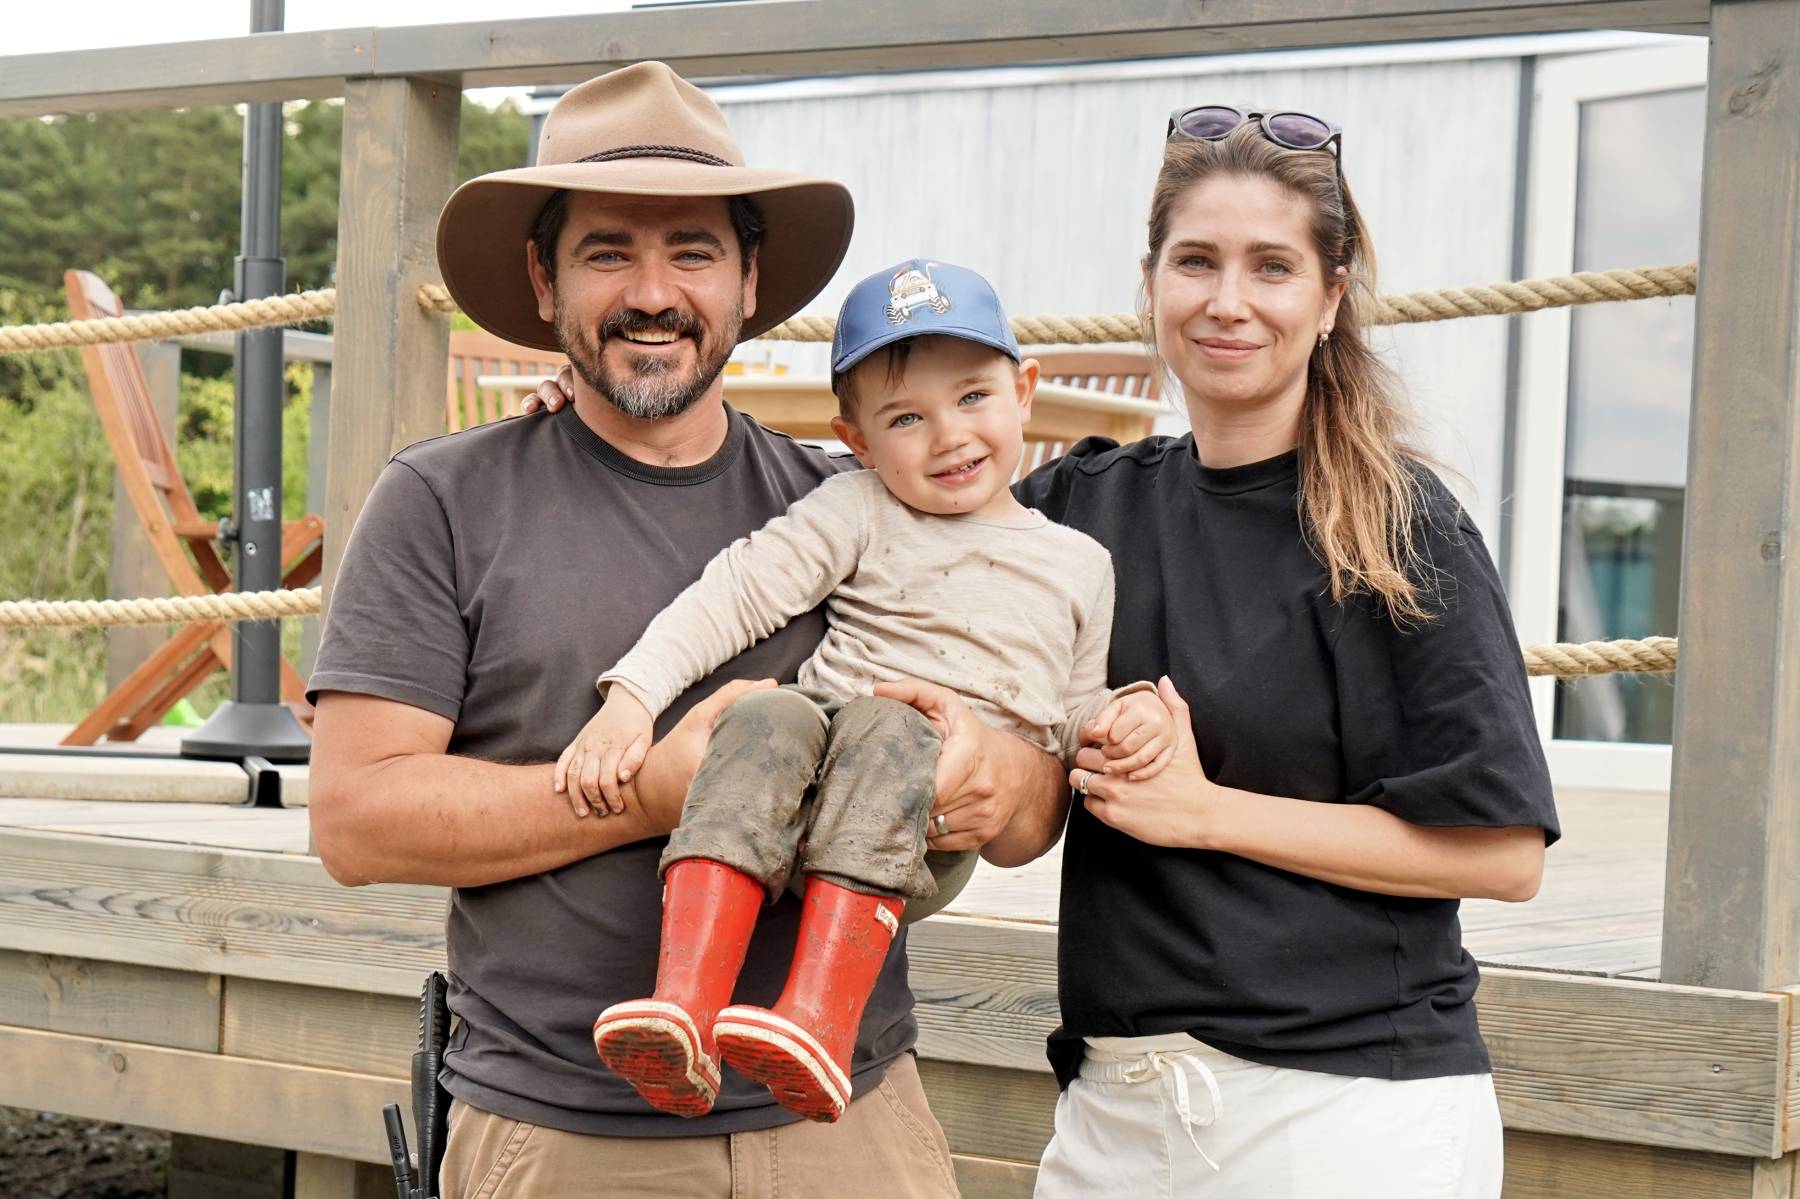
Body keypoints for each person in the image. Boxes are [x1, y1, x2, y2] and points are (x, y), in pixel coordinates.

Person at [519, 100, 1557, 1198]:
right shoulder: (1082, 508)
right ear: (1150, 282)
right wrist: (601, 419)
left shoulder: (1396, 528)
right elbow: (880, 480)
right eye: (1195, 261)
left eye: (1272, 267)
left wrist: (1205, 810)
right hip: (1116, 1100)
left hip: (1344, 1105)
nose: (1227, 300)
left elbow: (1502, 856)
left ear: (1331, 295)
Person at [307, 62, 1063, 1199]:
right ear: (545, 279)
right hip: (564, 1131)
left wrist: (986, 773)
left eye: (694, 253)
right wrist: (648, 793)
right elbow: (355, 821)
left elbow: (1034, 807)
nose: (654, 293)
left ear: (750, 280)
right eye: (608, 252)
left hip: (850, 1116)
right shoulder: (444, 498)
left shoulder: (857, 501)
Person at [560, 259, 1174, 1125]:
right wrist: (632, 694)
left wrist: (1124, 712)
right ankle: (682, 1007)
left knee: (893, 725)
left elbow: (1070, 710)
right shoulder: (859, 506)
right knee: (765, 708)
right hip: (807, 775)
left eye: (973, 397)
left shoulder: (1080, 564)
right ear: (857, 440)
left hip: (920, 820)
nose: (948, 436)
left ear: (1024, 390)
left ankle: (819, 1018)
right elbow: (740, 589)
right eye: (906, 418)